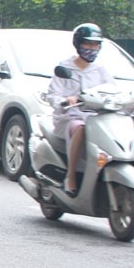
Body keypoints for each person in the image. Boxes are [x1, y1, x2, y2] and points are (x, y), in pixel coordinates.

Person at [46, 23, 115, 197]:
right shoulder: (65, 67)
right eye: (88, 44)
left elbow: (113, 90)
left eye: (96, 45)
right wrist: (66, 100)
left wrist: (132, 99)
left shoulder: (101, 70)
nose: (92, 49)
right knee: (81, 127)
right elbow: (53, 95)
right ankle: (70, 176)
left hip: (95, 118)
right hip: (70, 118)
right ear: (78, 44)